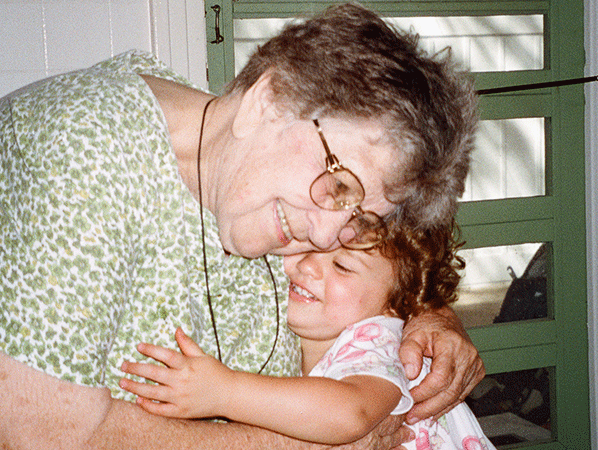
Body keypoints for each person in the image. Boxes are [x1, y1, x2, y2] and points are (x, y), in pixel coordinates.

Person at [0, 3, 482, 449]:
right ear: (269, 99)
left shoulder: (238, 167)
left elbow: (387, 263)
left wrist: (427, 315)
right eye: (339, 187)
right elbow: (38, 431)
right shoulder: (85, 152)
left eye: (357, 219)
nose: (323, 237)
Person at [120, 223, 496, 450]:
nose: (308, 265)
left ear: (398, 306)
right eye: (311, 246)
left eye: (343, 266)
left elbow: (352, 412)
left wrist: (224, 391)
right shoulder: (332, 328)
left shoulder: (380, 339)